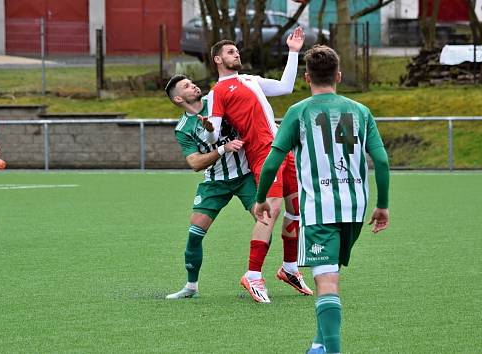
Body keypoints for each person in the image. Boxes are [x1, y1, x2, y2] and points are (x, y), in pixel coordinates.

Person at [254, 45, 390, 354]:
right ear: (339, 76)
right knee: (328, 274)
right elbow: (381, 161)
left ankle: (333, 350)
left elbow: (272, 161)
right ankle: (319, 344)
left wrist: (261, 198)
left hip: (319, 208)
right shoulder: (360, 111)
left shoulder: (299, 111)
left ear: (306, 77)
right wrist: (382, 205)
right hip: (356, 208)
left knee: (326, 281)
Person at [204, 27, 313, 303]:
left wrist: (293, 52)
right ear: (217, 59)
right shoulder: (218, 91)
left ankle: (289, 268)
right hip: (262, 152)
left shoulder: (250, 79)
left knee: (296, 207)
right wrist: (207, 128)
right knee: (271, 209)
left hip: (281, 146)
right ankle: (252, 275)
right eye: (229, 51)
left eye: (236, 50)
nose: (235, 53)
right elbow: (214, 132)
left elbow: (286, 87)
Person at [164, 74, 257, 299]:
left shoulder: (217, 99)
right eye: (186, 86)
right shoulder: (184, 128)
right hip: (215, 181)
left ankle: (260, 276)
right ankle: (191, 286)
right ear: (178, 99)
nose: (193, 85)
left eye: (191, 82)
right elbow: (195, 162)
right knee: (195, 233)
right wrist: (222, 150)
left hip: (246, 176)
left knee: (265, 219)